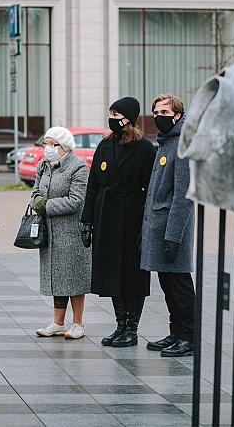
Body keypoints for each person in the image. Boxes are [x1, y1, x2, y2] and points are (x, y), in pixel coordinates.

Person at [81, 97, 155, 347]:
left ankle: (132, 328)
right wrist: (87, 220)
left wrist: (147, 224)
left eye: (116, 113)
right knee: (112, 271)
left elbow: (149, 189)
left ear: (128, 118)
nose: (112, 117)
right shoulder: (104, 145)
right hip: (107, 214)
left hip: (132, 215)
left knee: (132, 273)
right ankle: (120, 324)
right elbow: (93, 183)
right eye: (110, 112)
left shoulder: (145, 148)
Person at [140, 94, 196, 358]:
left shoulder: (182, 145)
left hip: (173, 230)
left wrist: (173, 236)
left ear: (178, 115)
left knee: (179, 284)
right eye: (155, 111)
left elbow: (183, 194)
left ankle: (188, 337)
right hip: (158, 228)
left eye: (164, 111)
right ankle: (176, 332)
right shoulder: (166, 143)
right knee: (168, 284)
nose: (158, 115)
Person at [31, 127, 92, 340]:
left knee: (73, 278)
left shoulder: (78, 167)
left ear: (64, 146)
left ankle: (78, 323)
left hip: (71, 231)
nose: (47, 148)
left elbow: (76, 201)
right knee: (56, 277)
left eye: (52, 144)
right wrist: (36, 201)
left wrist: (45, 206)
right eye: (45, 144)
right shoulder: (43, 165)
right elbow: (35, 192)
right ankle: (58, 322)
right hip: (50, 232)